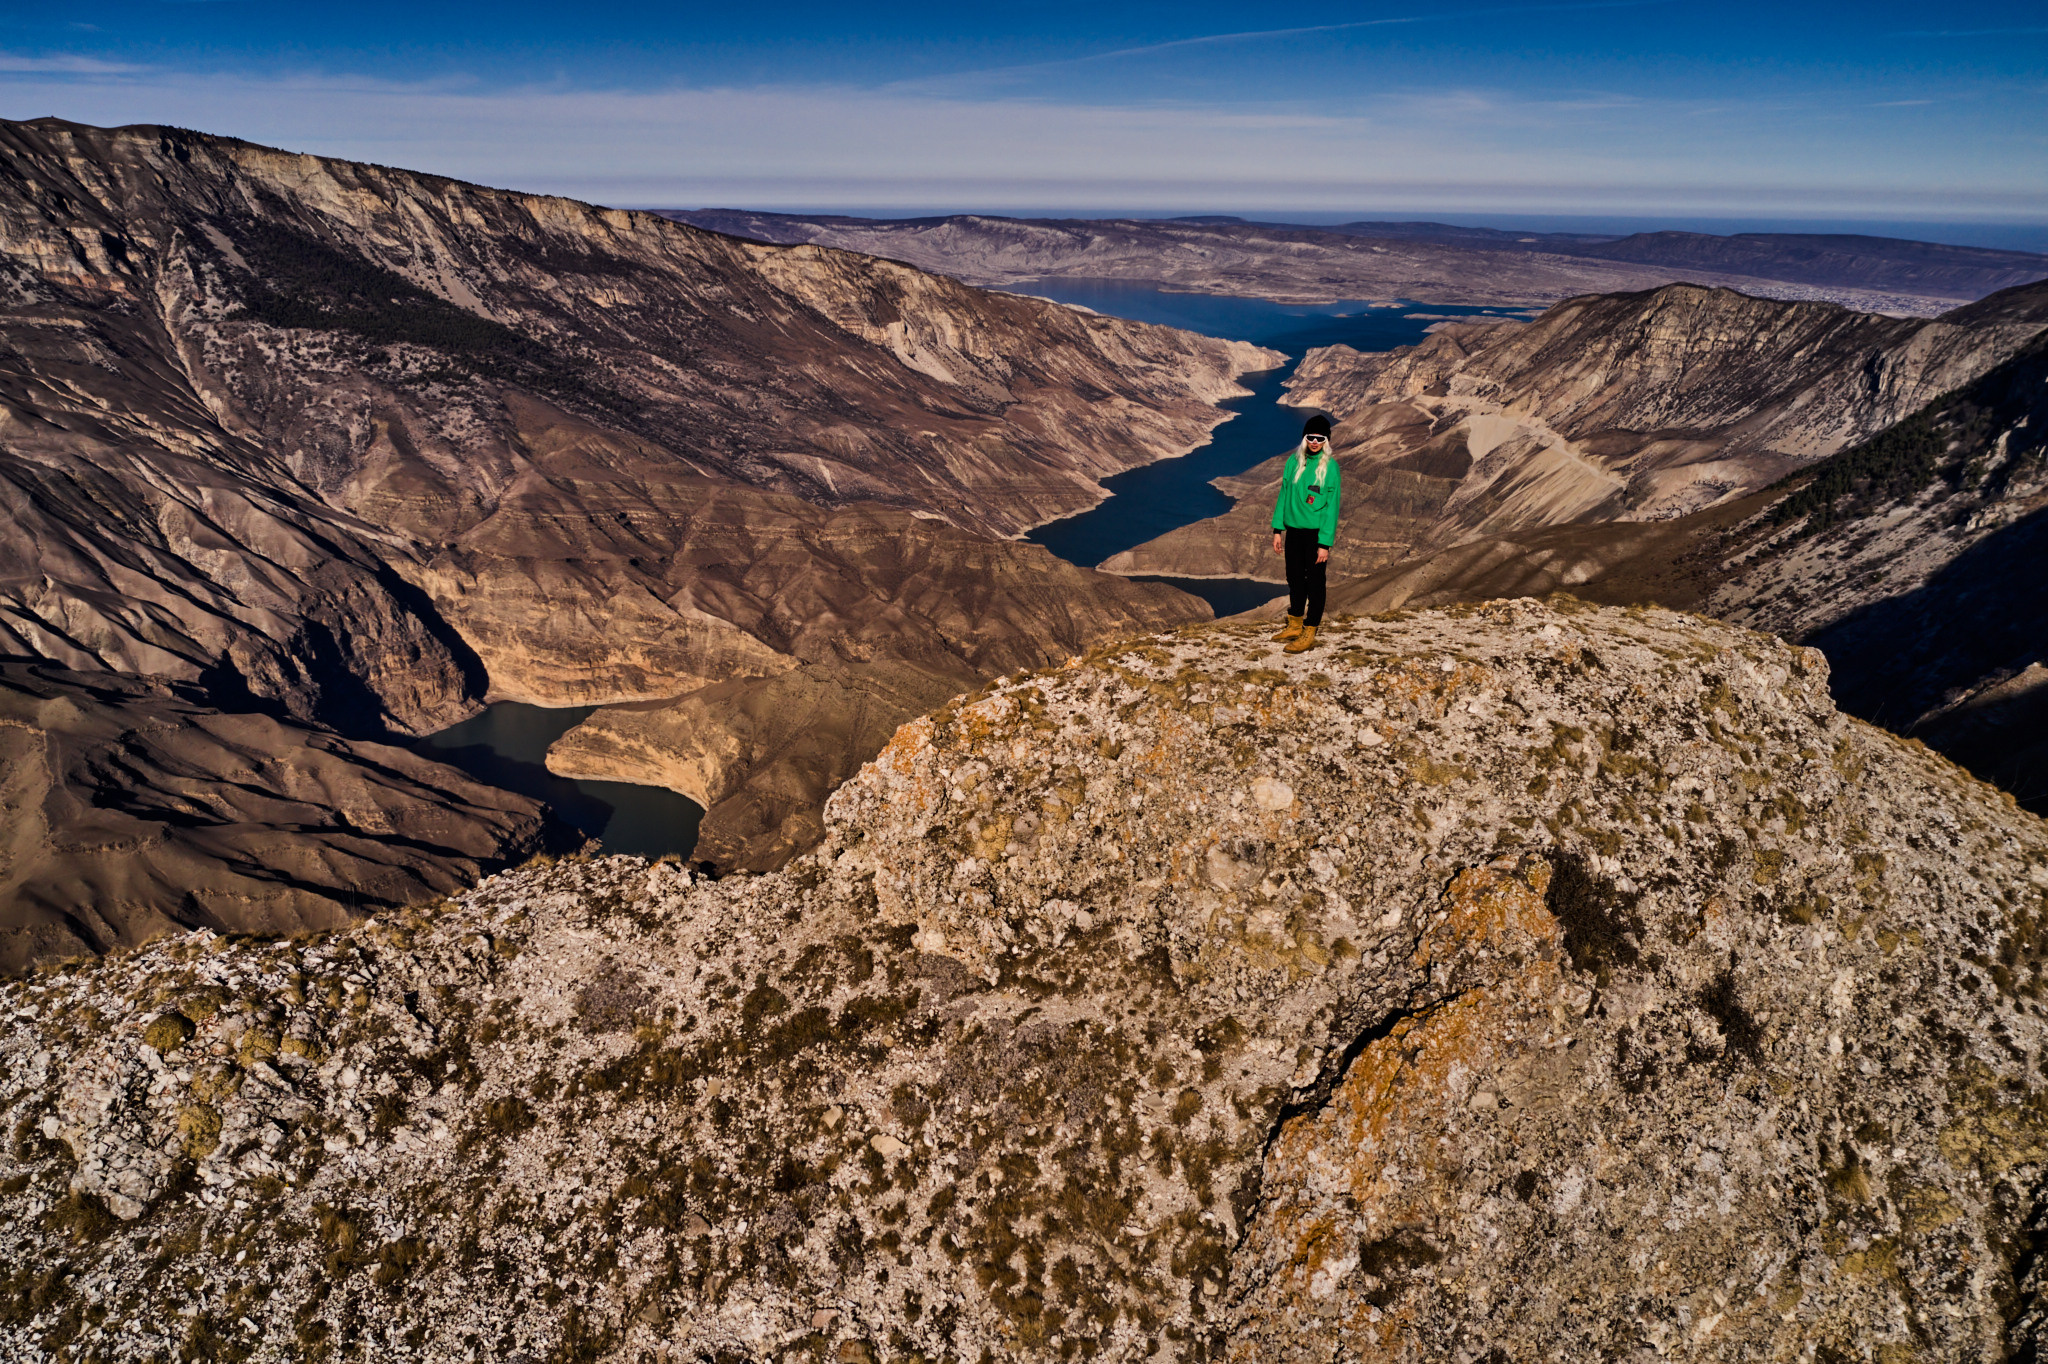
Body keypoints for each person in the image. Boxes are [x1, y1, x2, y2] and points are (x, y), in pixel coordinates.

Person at [1269, 414, 1340, 653]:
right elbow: (1283, 496)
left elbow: (1332, 508)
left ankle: (1310, 630)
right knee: (1295, 578)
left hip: (1315, 536)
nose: (1315, 442)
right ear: (1305, 438)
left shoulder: (1330, 468)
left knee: (1316, 584)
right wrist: (1277, 529)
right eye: (1311, 437)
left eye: (1320, 438)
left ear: (1326, 441)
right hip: (1294, 532)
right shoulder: (1293, 462)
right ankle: (1295, 623)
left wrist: (1325, 543)